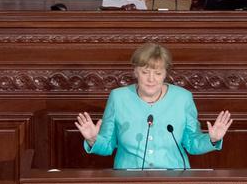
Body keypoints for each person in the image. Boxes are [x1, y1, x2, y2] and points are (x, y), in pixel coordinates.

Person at [75, 43, 232, 169]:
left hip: (174, 179)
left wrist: (212, 139)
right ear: (135, 72)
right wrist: (93, 139)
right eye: (145, 72)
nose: (151, 79)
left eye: (157, 73)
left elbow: (192, 143)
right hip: (128, 180)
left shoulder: (183, 98)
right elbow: (107, 146)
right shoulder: (118, 97)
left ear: (165, 74)